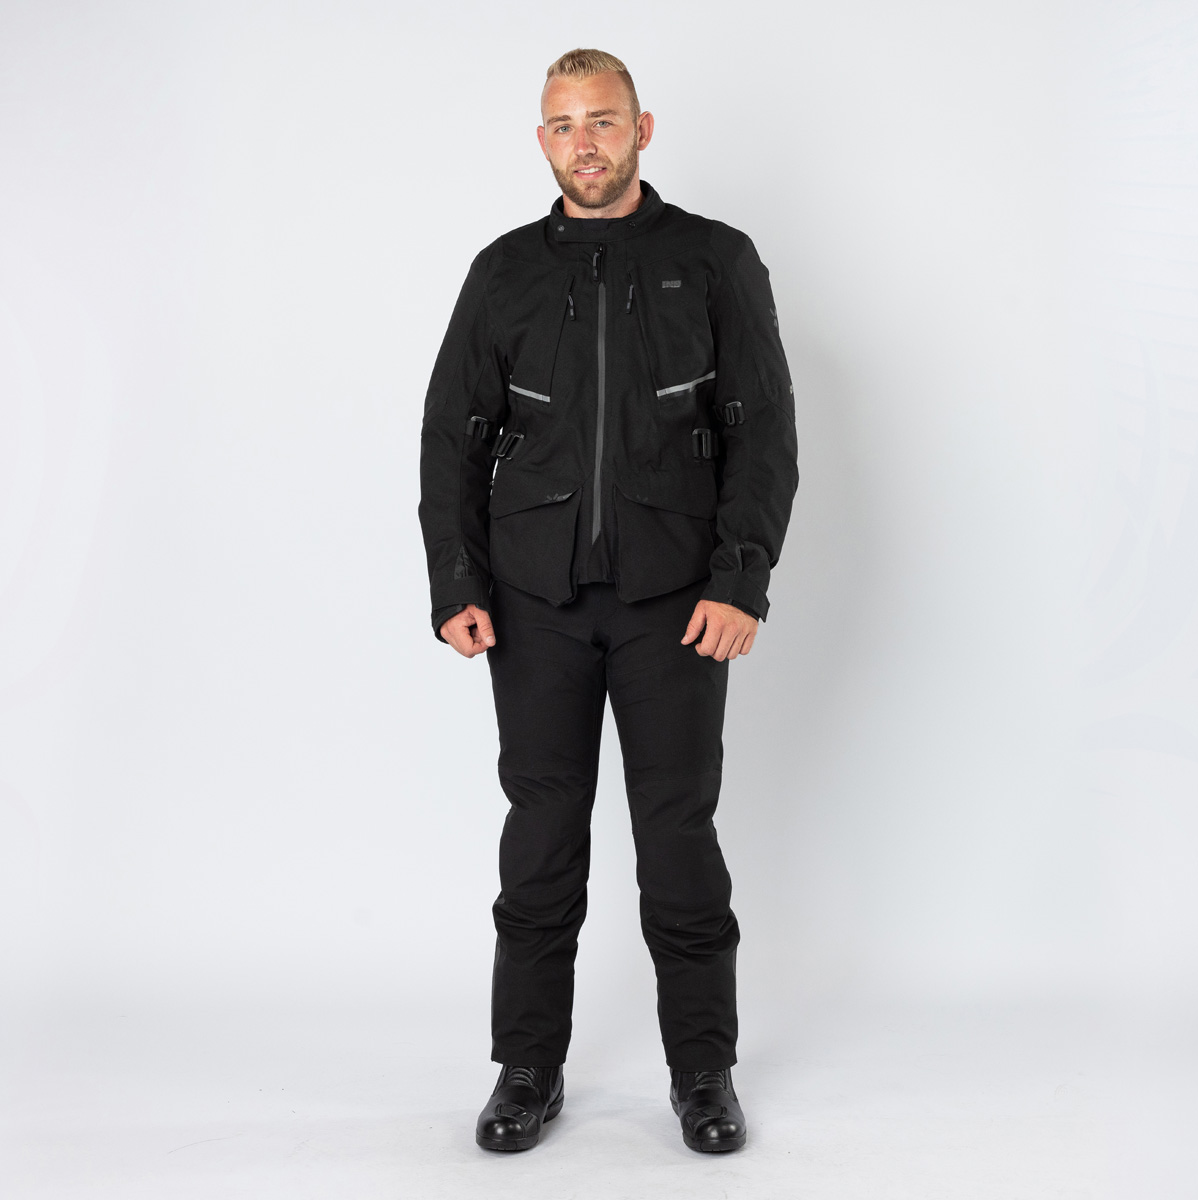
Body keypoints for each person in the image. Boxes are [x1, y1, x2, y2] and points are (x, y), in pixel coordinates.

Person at [417, 48, 798, 1154]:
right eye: (563, 124)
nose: (584, 142)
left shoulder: (714, 261)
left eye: (602, 120)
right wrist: (456, 582)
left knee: (678, 840)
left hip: (675, 604)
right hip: (532, 603)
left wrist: (741, 580)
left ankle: (704, 1072)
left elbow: (762, 431)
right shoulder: (503, 272)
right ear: (543, 140)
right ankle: (527, 1069)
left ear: (642, 129)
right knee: (541, 844)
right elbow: (452, 434)